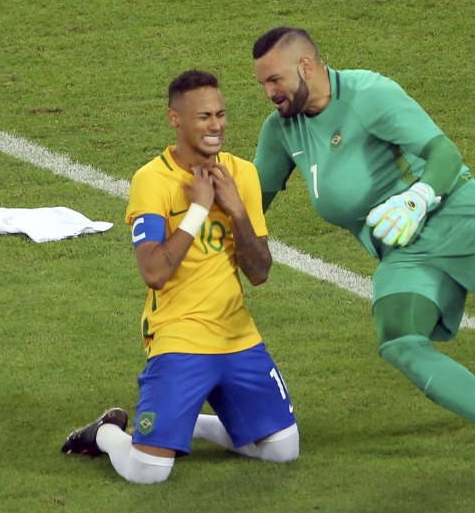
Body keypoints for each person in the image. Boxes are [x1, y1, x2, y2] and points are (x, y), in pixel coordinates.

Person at [250, 27, 475, 473]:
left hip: (459, 216)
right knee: (399, 342)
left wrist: (417, 197)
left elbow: (442, 151)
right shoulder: (283, 131)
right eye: (263, 84)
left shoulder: (369, 93)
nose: (269, 93)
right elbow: (254, 200)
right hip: (405, 252)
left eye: (274, 80)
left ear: (305, 66)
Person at [61, 70, 298, 483]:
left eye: (221, 114)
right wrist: (199, 210)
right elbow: (153, 271)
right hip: (178, 337)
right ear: (175, 119)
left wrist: (236, 210)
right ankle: (106, 434)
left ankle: (189, 425)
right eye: (204, 116)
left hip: (237, 336)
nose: (216, 126)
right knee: (148, 472)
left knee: (283, 451)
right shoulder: (152, 180)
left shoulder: (242, 175)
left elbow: (259, 272)